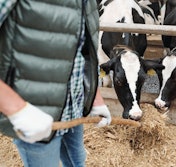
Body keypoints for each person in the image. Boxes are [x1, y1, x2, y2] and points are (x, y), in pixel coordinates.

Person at [0, 0, 111, 166]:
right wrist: (15, 108)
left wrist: (94, 95)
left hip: (73, 106)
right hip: (35, 110)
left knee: (77, 161)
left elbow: (84, 46)